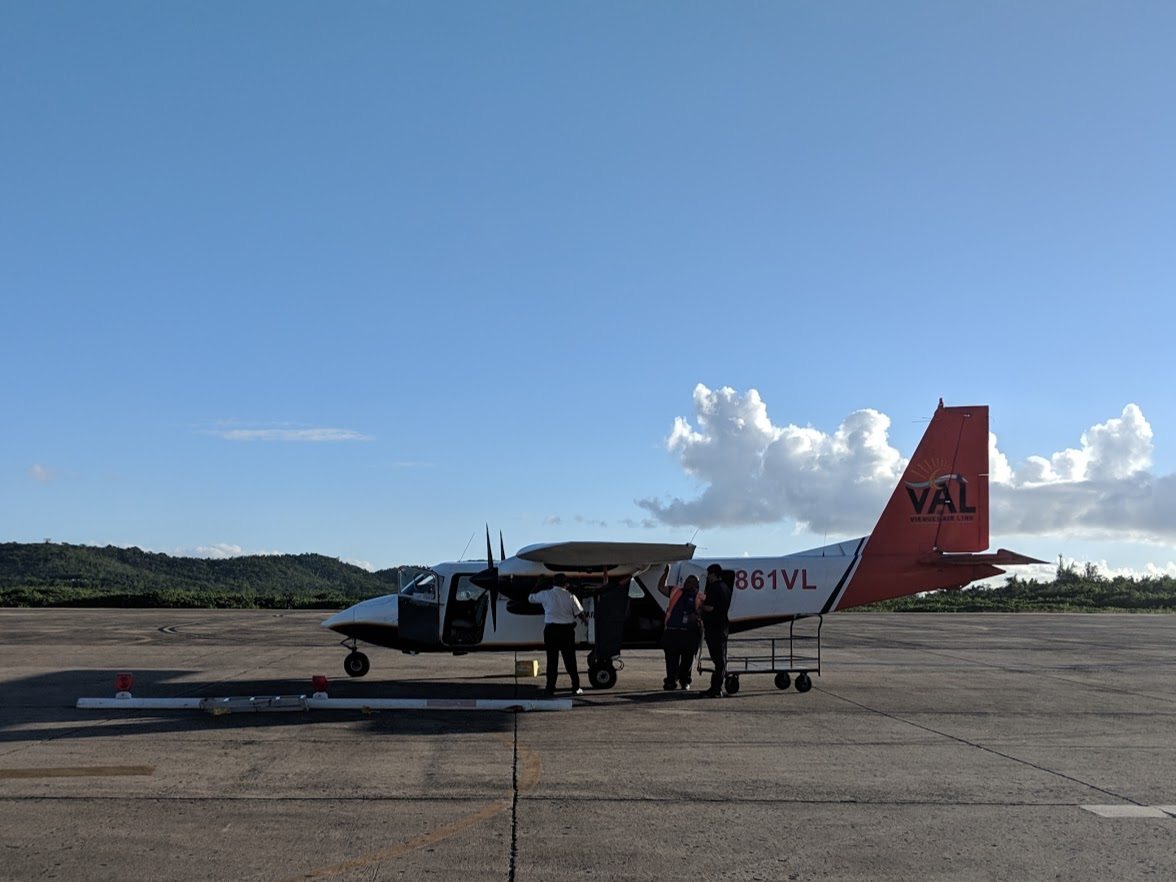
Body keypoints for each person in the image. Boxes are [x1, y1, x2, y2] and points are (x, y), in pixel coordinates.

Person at [528, 574, 587, 695]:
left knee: (552, 661)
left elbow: (530, 597)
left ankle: (550, 688)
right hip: (567, 631)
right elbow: (580, 613)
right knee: (570, 660)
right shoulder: (571, 596)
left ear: (553, 583)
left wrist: (538, 583)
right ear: (566, 584)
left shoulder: (545, 594)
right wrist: (584, 621)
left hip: (551, 631)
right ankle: (576, 687)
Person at [657, 566, 702, 691]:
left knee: (687, 660)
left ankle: (684, 681)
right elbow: (661, 588)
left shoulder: (700, 596)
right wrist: (666, 573)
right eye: (687, 581)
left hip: (690, 633)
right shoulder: (676, 591)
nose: (688, 584)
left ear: (697, 585)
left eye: (692, 582)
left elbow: (706, 611)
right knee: (671, 659)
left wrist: (697, 615)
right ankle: (671, 681)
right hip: (672, 631)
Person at [700, 563, 732, 697]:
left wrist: (700, 607)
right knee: (720, 659)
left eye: (709, 574)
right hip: (723, 627)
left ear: (714, 574)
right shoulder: (726, 587)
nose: (708, 577)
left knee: (718, 660)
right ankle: (715, 686)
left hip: (714, 627)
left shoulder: (714, 588)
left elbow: (710, 607)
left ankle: (716, 688)